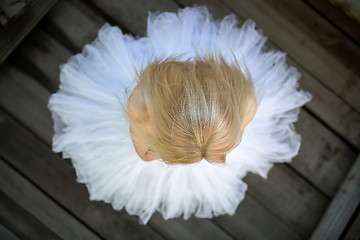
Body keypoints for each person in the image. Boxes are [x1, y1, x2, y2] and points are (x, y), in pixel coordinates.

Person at [47, 5, 312, 225]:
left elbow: (144, 154)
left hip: (195, 119)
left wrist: (178, 141)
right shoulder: (245, 101)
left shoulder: (140, 107)